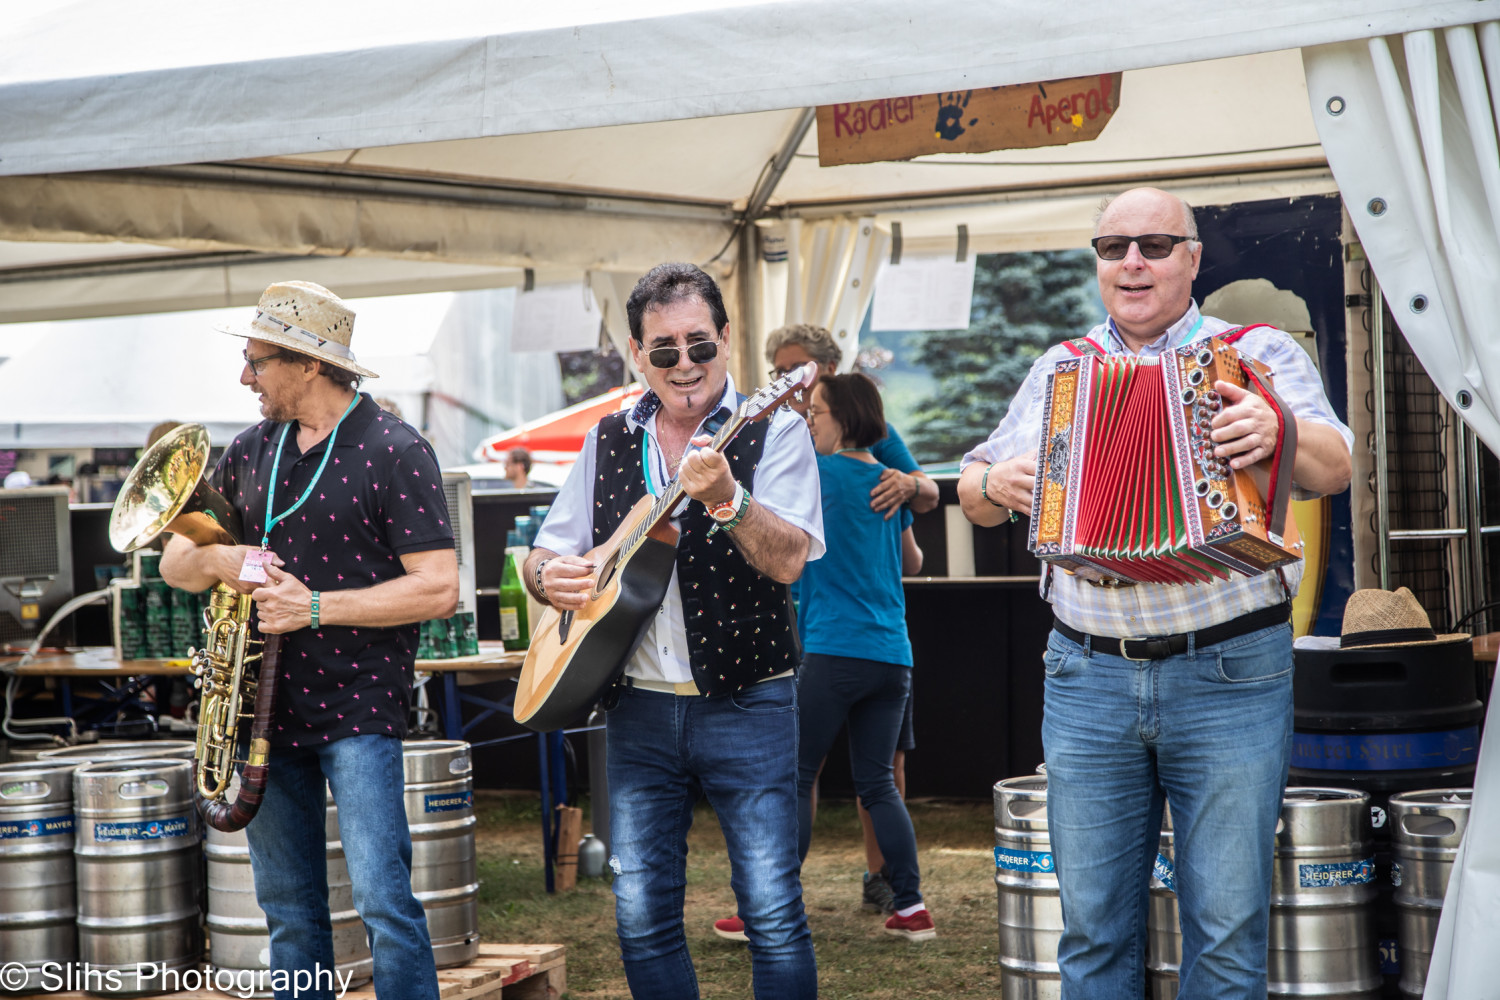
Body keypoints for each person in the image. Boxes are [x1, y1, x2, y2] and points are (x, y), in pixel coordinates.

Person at [959, 187, 1353, 1000]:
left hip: (1231, 670)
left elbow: (1337, 466)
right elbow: (972, 485)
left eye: (1155, 245)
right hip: (1086, 674)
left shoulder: (1257, 350)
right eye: (1113, 249)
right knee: (1092, 930)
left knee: (1228, 928)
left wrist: (1280, 430)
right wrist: (994, 478)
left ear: (1194, 258)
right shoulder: (1061, 368)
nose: (1132, 262)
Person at [524, 262, 823, 1000]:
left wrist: (728, 501)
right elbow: (548, 551)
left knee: (773, 913)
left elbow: (789, 561)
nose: (684, 364)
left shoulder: (776, 428)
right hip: (637, 710)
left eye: (699, 345)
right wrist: (544, 577)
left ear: (727, 339)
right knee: (642, 916)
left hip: (748, 701)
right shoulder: (608, 439)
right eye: (664, 351)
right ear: (637, 354)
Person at [160, 280, 458, 1000]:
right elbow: (175, 563)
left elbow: (439, 587)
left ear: (308, 364)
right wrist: (217, 558)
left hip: (359, 705)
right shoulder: (249, 448)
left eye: (257, 361)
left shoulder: (395, 448)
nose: (245, 376)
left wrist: (316, 607)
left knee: (386, 905)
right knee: (288, 914)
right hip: (261, 714)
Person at [765, 322, 935, 915]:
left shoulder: (815, 474)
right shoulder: (884, 482)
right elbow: (912, 562)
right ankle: (910, 906)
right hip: (893, 655)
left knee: (796, 775)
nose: (807, 415)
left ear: (836, 407)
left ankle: (772, 902)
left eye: (814, 408)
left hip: (831, 648)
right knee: (878, 783)